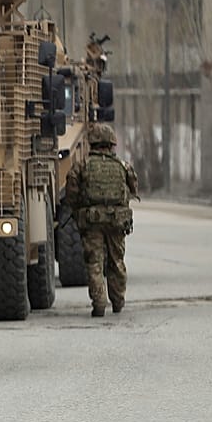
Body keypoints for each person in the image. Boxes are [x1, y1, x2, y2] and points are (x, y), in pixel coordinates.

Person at [64, 123, 138, 317]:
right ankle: (118, 300)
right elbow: (133, 189)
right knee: (117, 261)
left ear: (92, 143)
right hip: (116, 222)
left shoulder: (82, 165)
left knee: (94, 262)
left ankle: (99, 302)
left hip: (92, 221)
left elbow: (71, 192)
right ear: (112, 143)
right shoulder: (122, 165)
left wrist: (78, 209)